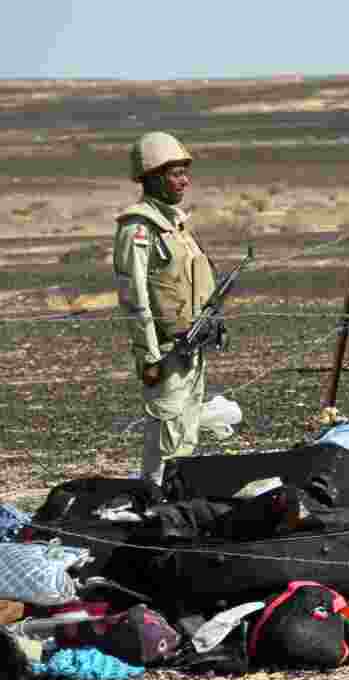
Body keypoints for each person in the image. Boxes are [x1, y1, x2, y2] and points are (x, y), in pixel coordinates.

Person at [113, 132, 216, 485]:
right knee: (166, 439)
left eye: (185, 172)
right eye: (175, 173)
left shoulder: (178, 225)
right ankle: (156, 503)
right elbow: (134, 295)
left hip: (193, 347)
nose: (184, 180)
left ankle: (176, 506)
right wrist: (149, 357)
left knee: (186, 436)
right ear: (153, 177)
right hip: (167, 352)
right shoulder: (138, 227)